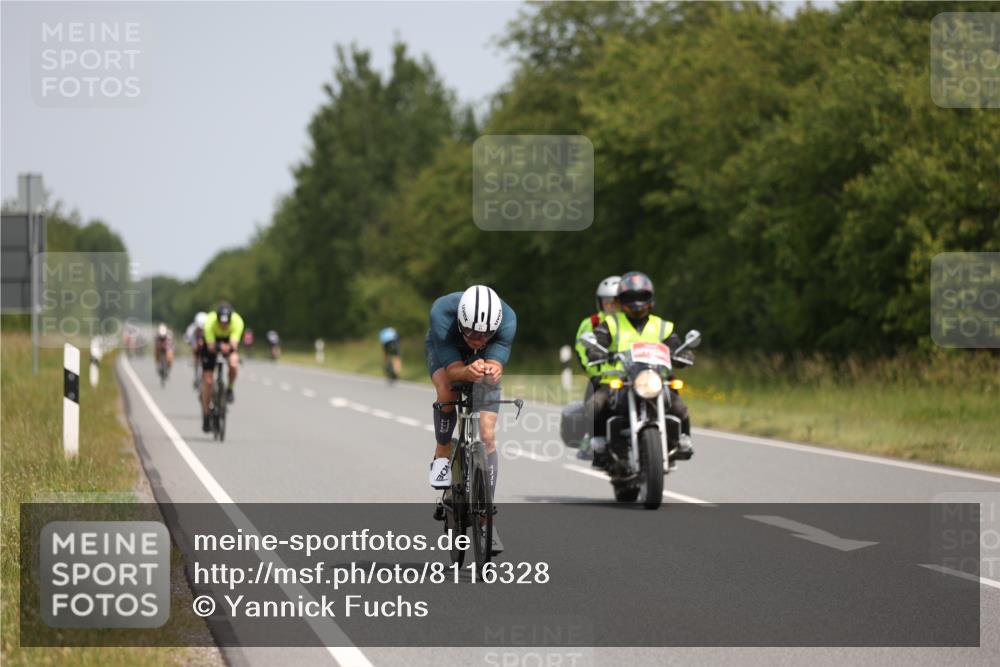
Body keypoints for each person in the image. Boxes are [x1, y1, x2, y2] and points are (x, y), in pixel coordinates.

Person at [426, 285, 516, 554]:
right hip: (446, 347)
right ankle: (443, 449)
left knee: (487, 435)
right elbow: (454, 373)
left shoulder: (507, 320)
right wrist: (467, 369)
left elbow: (497, 362)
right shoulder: (442, 314)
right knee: (446, 389)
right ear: (462, 322)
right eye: (474, 334)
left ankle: (487, 519)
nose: (478, 340)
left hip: (483, 354)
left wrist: (493, 368)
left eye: (485, 335)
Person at [584, 271, 694, 471]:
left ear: (650, 298)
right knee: (596, 404)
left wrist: (683, 354)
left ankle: (683, 440)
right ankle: (598, 444)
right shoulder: (611, 323)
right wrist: (595, 351)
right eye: (630, 297)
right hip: (620, 379)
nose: (636, 302)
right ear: (622, 300)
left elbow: (676, 345)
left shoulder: (662, 326)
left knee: (679, 407)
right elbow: (598, 341)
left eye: (641, 297)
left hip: (654, 378)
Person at [574, 276, 620, 460]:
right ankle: (588, 436)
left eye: (615, 302)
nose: (610, 306)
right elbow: (582, 350)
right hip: (602, 375)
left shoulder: (630, 323)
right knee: (593, 404)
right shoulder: (591, 323)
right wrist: (596, 370)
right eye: (606, 302)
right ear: (600, 303)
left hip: (631, 374)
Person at [200, 302, 245, 432]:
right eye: (221, 322)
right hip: (211, 343)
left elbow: (234, 344)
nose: (224, 325)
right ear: (217, 318)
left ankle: (230, 389)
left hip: (228, 342)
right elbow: (210, 346)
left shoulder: (237, 321)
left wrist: (228, 348)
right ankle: (206, 414)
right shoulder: (210, 322)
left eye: (226, 323)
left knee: (233, 363)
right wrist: (219, 347)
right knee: (208, 381)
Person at [185, 311, 209, 389]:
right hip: (196, 345)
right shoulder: (191, 329)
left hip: (206, 346)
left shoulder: (209, 328)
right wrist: (195, 345)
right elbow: (189, 339)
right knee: (195, 353)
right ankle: (196, 375)